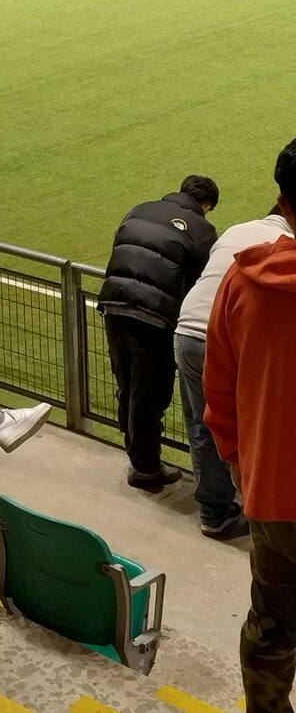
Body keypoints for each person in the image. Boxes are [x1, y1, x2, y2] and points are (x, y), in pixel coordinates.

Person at [205, 140, 296, 712]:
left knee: (272, 622)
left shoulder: (242, 283)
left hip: (272, 494)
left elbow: (219, 392)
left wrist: (241, 465)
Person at [176, 201, 292, 539]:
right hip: (225, 333)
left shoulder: (237, 233)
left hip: (187, 331)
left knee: (203, 425)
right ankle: (236, 502)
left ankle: (214, 513)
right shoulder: (277, 250)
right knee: (256, 419)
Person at [98, 175, 219, 489]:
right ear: (206, 205)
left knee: (127, 385)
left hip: (113, 303)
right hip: (153, 316)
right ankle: (146, 467)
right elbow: (201, 280)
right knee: (148, 393)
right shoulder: (202, 229)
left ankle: (139, 459)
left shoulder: (140, 208)